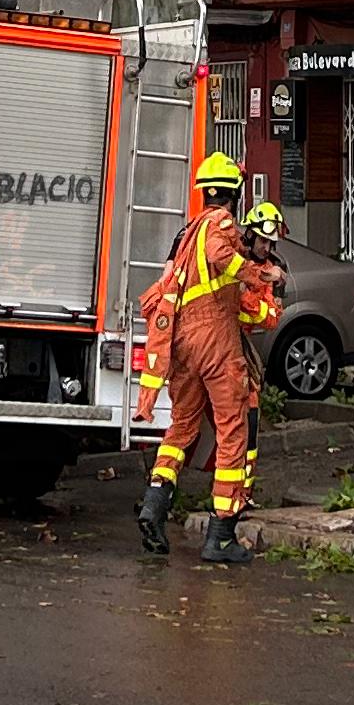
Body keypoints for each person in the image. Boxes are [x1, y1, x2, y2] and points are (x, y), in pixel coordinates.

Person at [137, 150, 284, 564]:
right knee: (232, 428)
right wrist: (262, 275)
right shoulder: (220, 224)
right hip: (214, 340)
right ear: (234, 192)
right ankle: (221, 534)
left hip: (181, 340)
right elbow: (223, 258)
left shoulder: (185, 233)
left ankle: (154, 505)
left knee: (181, 428)